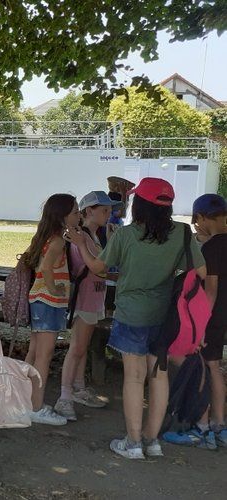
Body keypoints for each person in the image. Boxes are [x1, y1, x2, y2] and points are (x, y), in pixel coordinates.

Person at [67, 177, 206, 459]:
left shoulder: (125, 235)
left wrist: (81, 243)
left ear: (140, 204)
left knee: (134, 377)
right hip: (165, 316)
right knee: (159, 375)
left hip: (132, 314)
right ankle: (152, 441)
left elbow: (99, 268)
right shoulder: (181, 233)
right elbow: (201, 272)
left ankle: (132, 443)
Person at [162, 193, 227, 449]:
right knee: (215, 367)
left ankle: (201, 426)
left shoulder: (211, 249)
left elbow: (210, 289)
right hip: (223, 317)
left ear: (200, 218)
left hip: (209, 318)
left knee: (201, 367)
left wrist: (199, 328)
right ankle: (219, 425)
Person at [54, 192, 120, 421]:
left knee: (82, 347)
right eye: (104, 210)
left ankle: (79, 388)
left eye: (110, 211)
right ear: (89, 210)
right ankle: (64, 397)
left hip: (94, 297)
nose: (108, 215)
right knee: (77, 348)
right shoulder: (79, 236)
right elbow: (98, 268)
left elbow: (105, 263)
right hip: (85, 298)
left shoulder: (93, 234)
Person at [24, 193, 80, 426]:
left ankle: (25, 401)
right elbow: (47, 268)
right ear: (62, 215)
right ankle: (35, 407)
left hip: (39, 301)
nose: (79, 216)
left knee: (34, 353)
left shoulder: (47, 237)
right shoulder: (57, 241)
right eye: (76, 212)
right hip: (48, 302)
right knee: (44, 356)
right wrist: (55, 290)